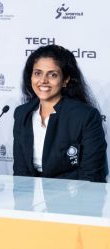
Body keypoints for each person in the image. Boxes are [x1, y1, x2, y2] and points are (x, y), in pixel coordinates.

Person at [13, 44, 107, 182]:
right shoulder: (22, 114)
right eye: (37, 73)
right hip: (30, 196)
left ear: (65, 80)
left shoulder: (86, 116)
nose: (43, 80)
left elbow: (91, 176)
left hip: (74, 198)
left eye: (52, 74)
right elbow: (21, 172)